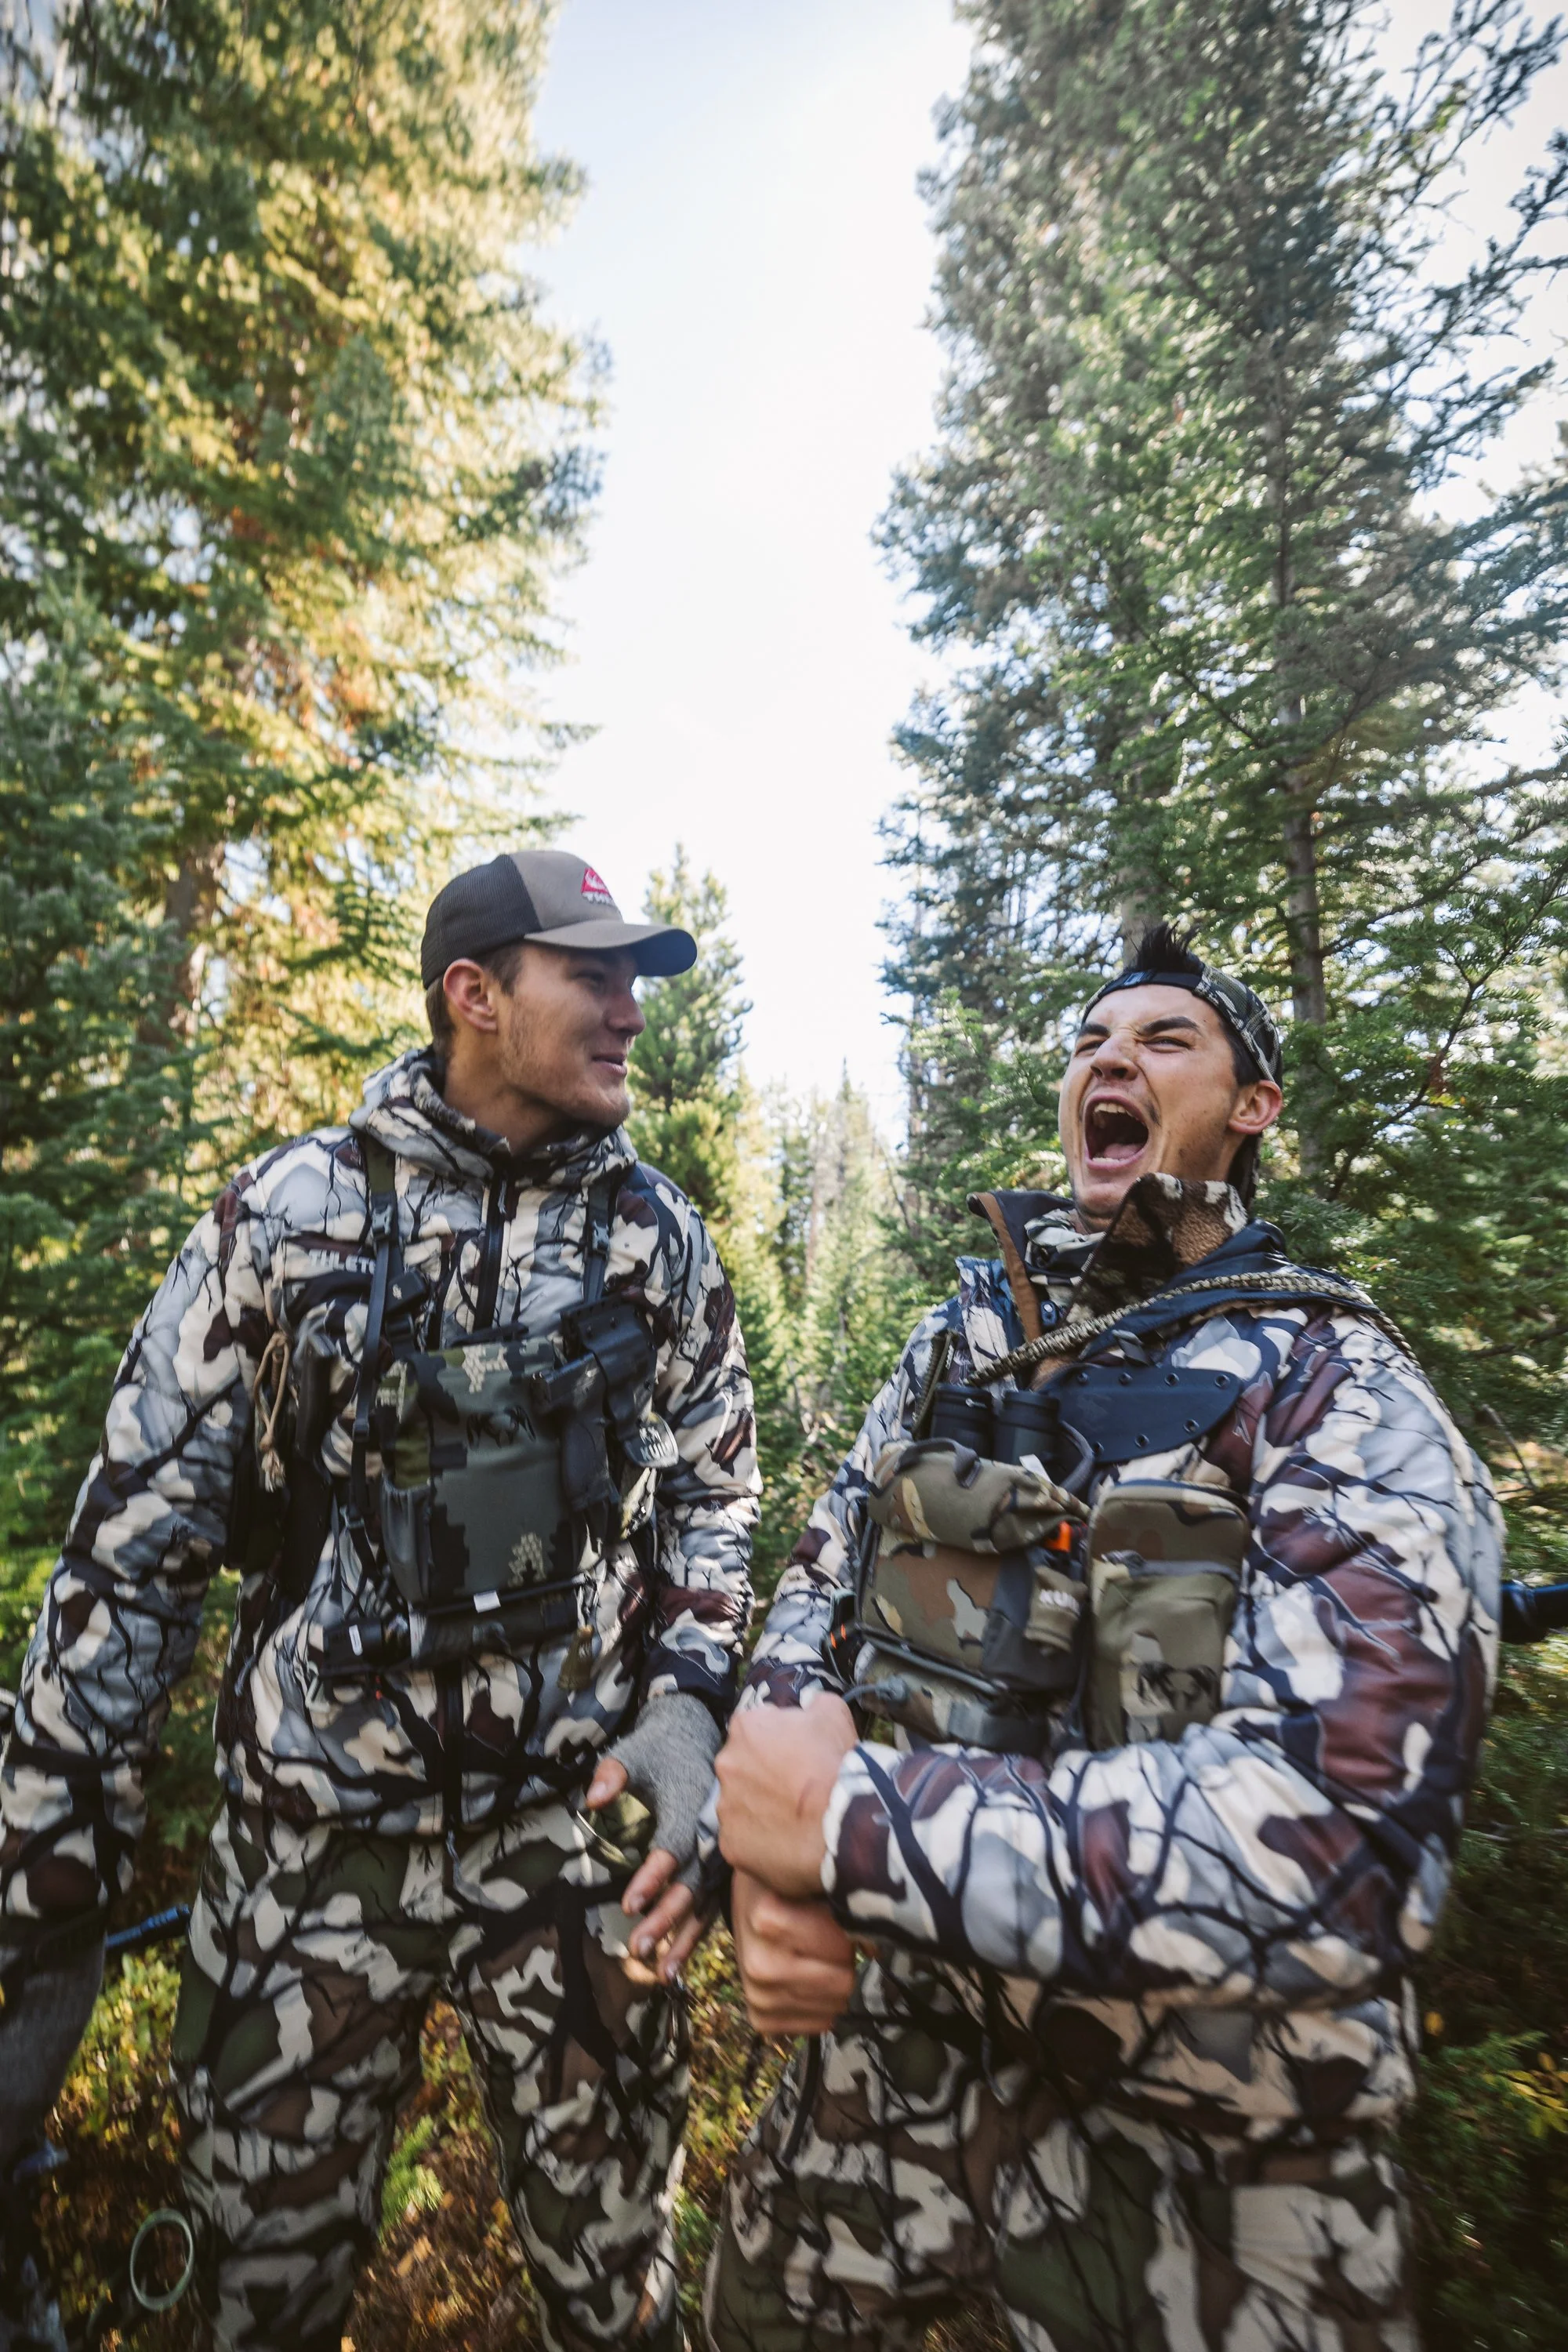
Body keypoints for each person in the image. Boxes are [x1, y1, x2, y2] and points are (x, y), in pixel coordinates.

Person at [0, 849, 757, 2352]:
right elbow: (136, 1548)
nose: (628, 1010)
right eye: (591, 976)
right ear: (475, 996)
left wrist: (687, 1697)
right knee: (266, 2290)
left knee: (621, 2293)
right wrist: (47, 1832)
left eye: (635, 980)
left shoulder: (657, 1242)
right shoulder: (286, 1217)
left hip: (567, 1833)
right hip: (313, 1841)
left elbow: (715, 1492)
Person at [707, 922, 1499, 2352]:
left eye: (1164, 1038)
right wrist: (780, 1872)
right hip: (894, 2076)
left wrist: (846, 1831)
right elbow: (816, 1601)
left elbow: (1341, 1842)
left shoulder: (1332, 1383)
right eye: (1090, 1040)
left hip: (1222, 2164)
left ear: (1252, 1109)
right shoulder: (961, 1346)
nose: (1110, 1058)